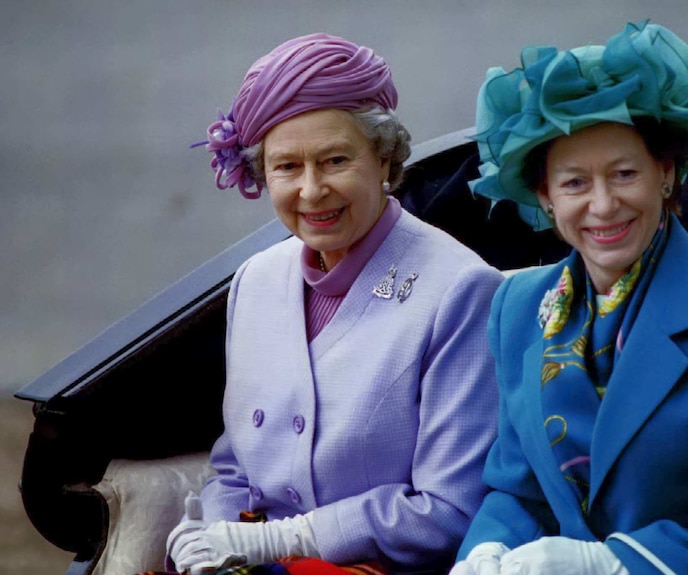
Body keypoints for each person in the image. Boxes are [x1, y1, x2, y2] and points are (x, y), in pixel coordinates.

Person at [450, 21, 688, 575]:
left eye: (624, 174)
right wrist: (486, 550)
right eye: (574, 183)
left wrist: (614, 564)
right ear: (545, 197)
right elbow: (516, 487)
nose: (602, 205)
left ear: (665, 175)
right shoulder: (517, 306)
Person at [164, 33, 503, 575]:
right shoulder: (255, 282)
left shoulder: (459, 289)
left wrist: (283, 540)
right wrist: (206, 534)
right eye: (287, 168)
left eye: (335, 160)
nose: (312, 190)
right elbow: (234, 472)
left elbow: (450, 512)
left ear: (385, 160)